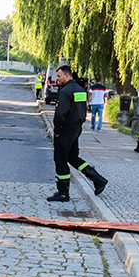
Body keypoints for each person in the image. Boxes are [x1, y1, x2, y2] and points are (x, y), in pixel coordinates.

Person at [47, 65, 108, 202]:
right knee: (72, 157)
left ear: (67, 75)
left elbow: (60, 114)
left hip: (65, 130)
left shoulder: (65, 91)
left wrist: (57, 131)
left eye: (59, 76)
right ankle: (97, 178)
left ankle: (63, 193)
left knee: (60, 159)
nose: (57, 78)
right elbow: (81, 110)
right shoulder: (80, 90)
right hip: (76, 128)